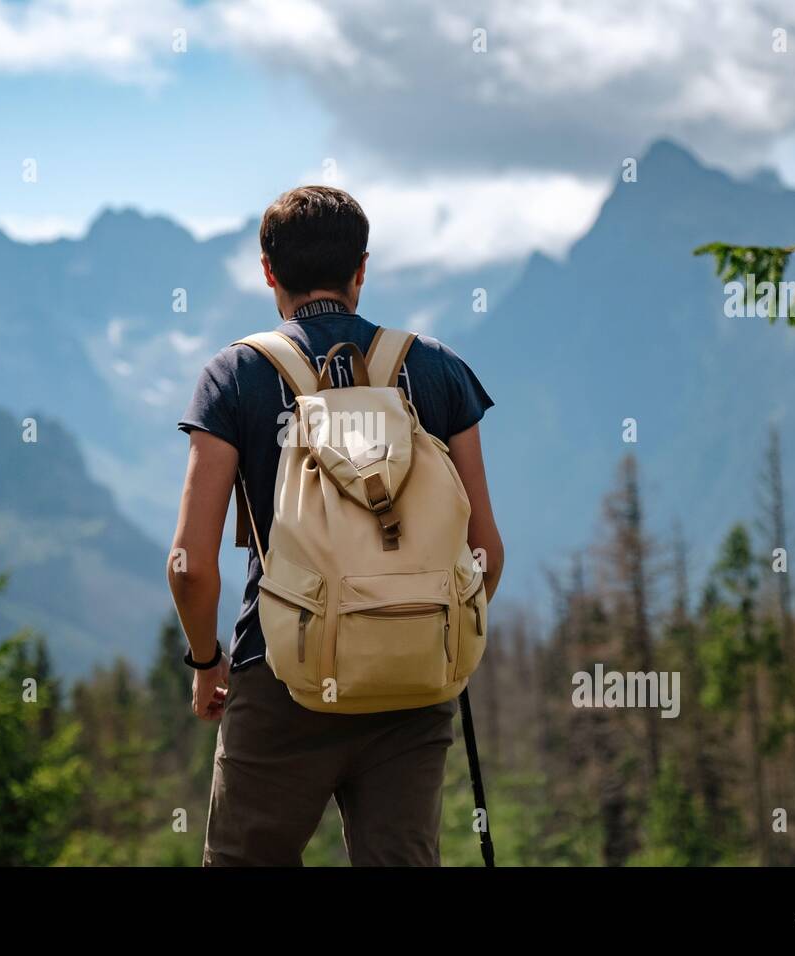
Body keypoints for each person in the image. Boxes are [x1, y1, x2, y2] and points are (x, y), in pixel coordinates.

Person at [167, 185, 503, 866]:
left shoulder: (237, 376)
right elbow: (485, 551)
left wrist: (207, 662)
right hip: (413, 682)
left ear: (268, 270)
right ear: (362, 268)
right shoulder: (436, 370)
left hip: (283, 671)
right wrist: (422, 631)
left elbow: (191, 564)